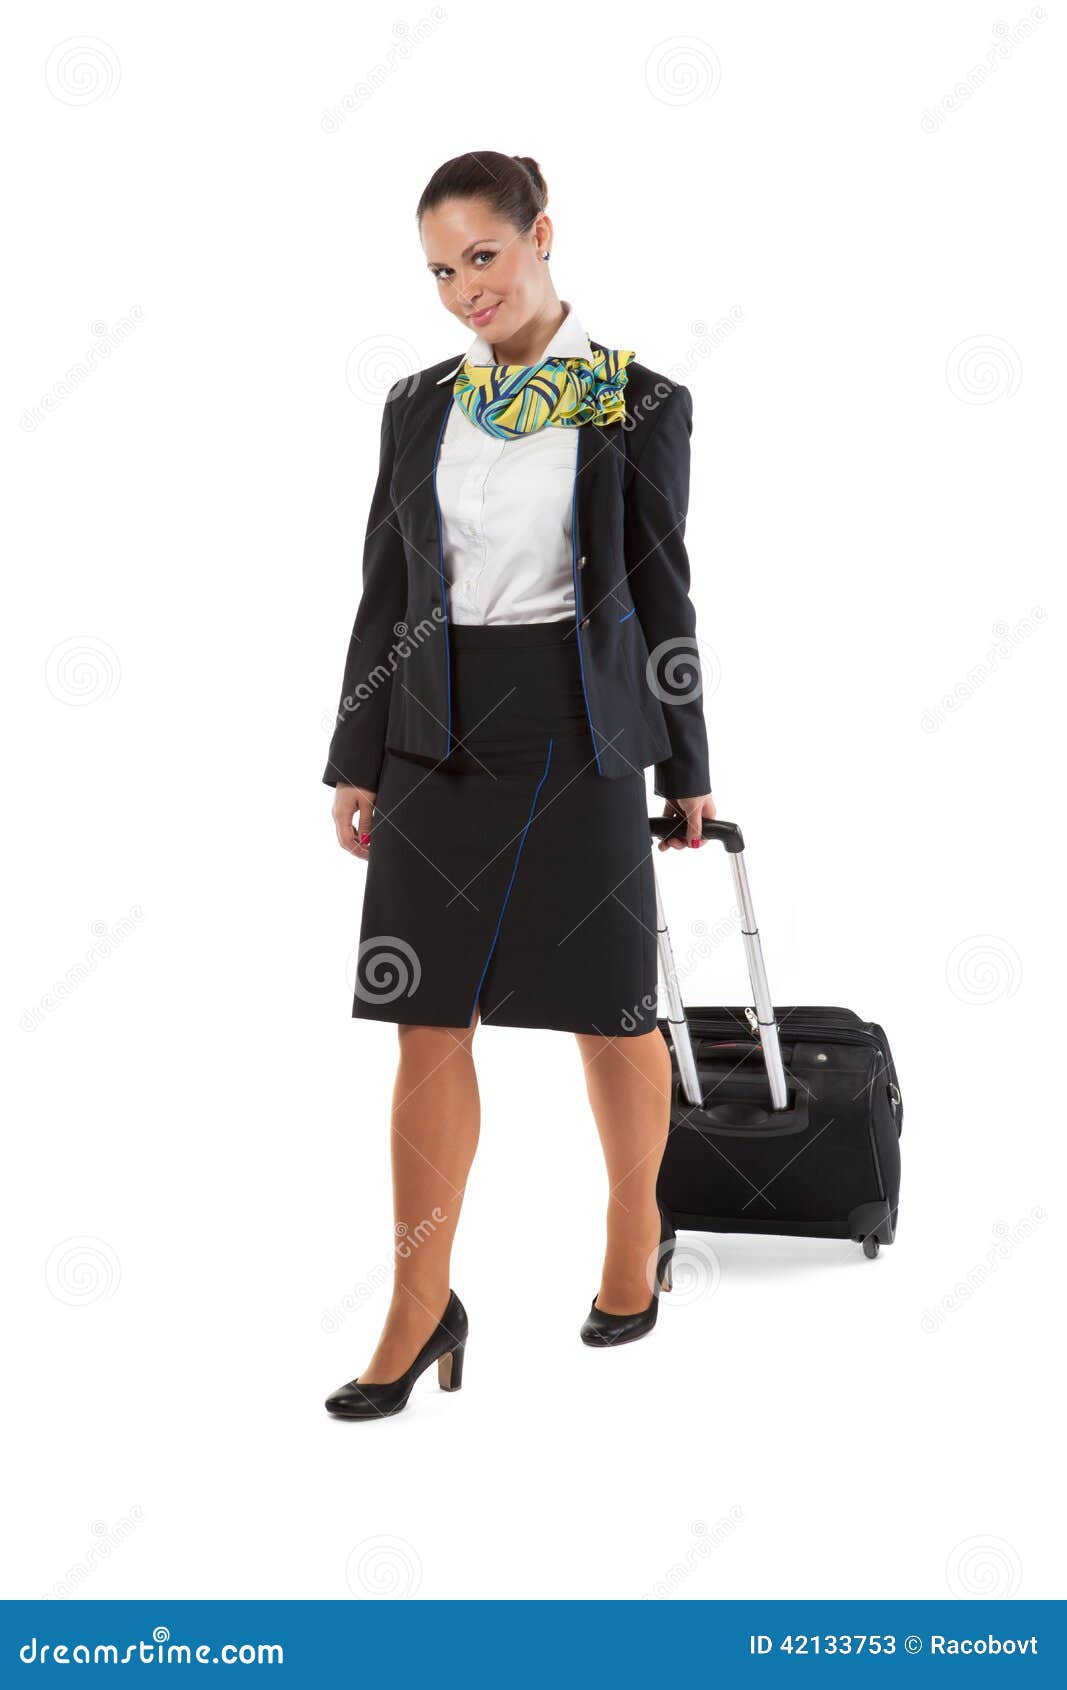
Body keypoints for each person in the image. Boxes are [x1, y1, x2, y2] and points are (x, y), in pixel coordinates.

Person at [322, 152, 715, 1419]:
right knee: (425, 1016)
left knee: (610, 1010)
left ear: (542, 233)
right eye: (439, 271)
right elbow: (387, 587)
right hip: (434, 733)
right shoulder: (415, 403)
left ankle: (630, 1228)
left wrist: (691, 764)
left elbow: (663, 589)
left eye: (482, 258)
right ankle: (417, 1299)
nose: (461, 292)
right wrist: (354, 752)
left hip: (579, 725)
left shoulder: (633, 401)